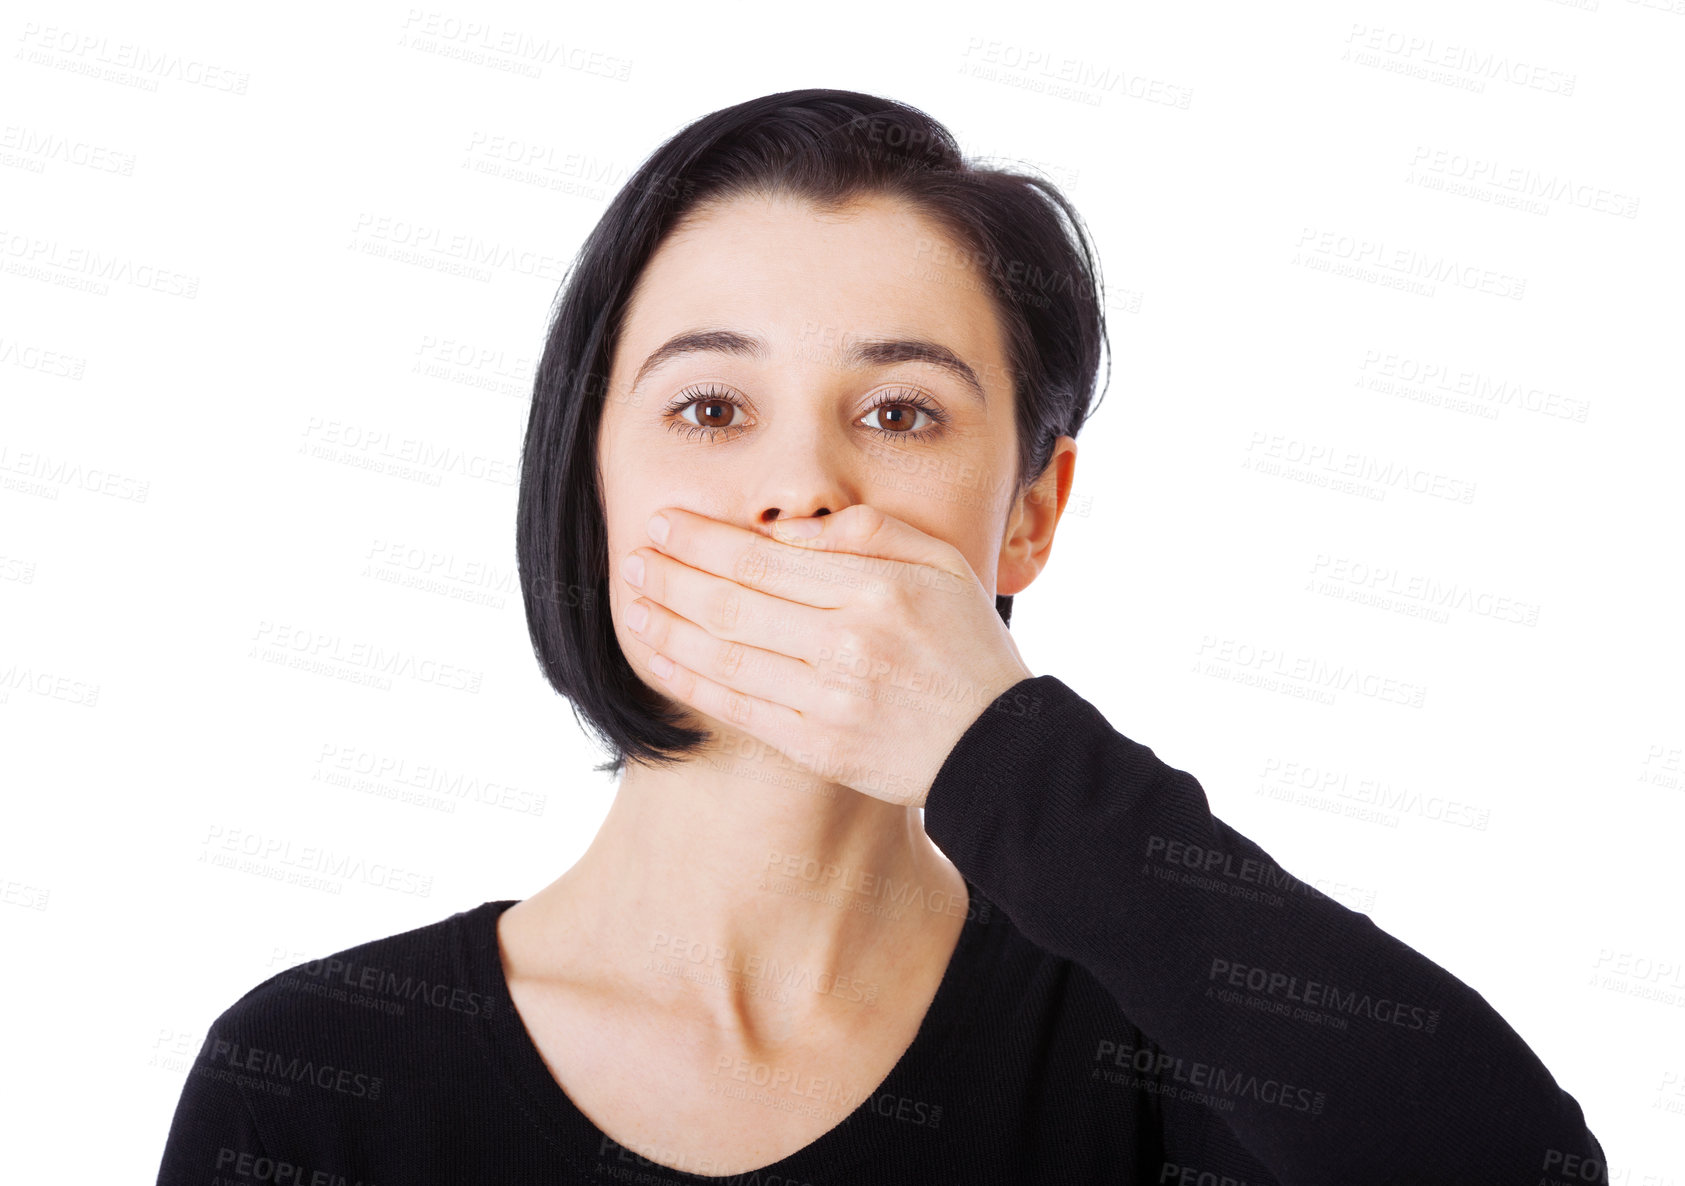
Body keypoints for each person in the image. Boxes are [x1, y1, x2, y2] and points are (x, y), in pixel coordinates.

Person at [156, 89, 1608, 1185]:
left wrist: (1004, 752)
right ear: (588, 483)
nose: (802, 487)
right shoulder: (320, 1076)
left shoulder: (1158, 1055)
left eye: (900, 412)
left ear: (1029, 514)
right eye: (709, 408)